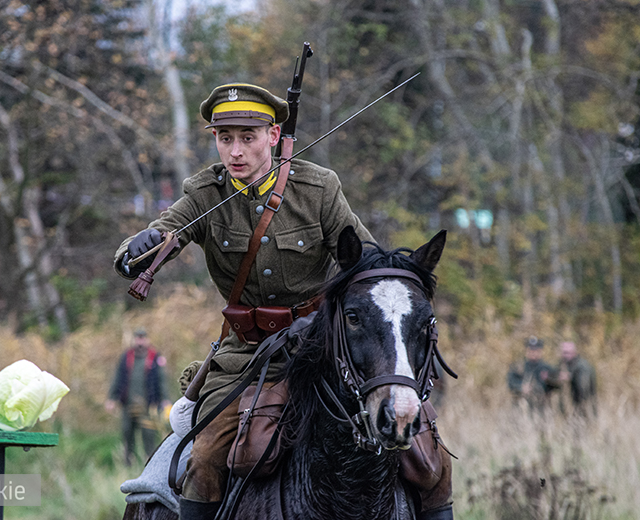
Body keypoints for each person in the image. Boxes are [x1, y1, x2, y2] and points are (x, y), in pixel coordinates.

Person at [114, 83, 453, 519]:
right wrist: (140, 248)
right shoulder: (205, 194)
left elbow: (366, 267)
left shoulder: (319, 188)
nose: (235, 151)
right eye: (225, 138)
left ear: (273, 136)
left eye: (248, 137)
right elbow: (165, 232)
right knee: (205, 457)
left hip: (323, 352)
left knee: (429, 459)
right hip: (246, 360)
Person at [106, 328, 168, 465]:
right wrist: (112, 398)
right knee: (127, 434)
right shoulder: (126, 357)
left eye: (142, 338)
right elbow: (118, 377)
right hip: (128, 404)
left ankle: (150, 464)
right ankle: (128, 464)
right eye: (138, 338)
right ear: (134, 340)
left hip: (148, 406)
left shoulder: (155, 357)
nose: (140, 341)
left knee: (149, 436)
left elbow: (162, 380)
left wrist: (165, 400)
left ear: (147, 340)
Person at [507, 336, 558, 412]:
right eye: (530, 350)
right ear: (526, 351)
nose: (533, 353)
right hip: (522, 406)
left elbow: (557, 385)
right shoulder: (518, 367)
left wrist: (549, 379)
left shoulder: (547, 368)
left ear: (540, 351)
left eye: (536, 350)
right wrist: (521, 387)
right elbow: (511, 382)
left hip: (542, 407)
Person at [557, 340, 597, 416]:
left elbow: (584, 388)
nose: (565, 355)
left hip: (584, 409)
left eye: (567, 352)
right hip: (571, 410)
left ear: (574, 352)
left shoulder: (583, 366)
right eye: (564, 353)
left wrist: (570, 377)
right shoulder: (564, 365)